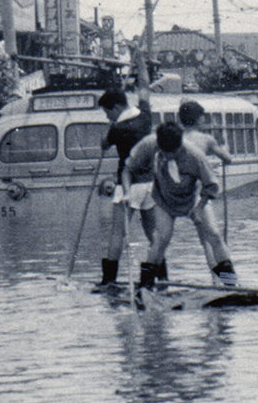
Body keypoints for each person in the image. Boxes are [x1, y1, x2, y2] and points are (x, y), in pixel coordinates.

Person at [124, 121, 237, 290]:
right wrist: (127, 192)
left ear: (180, 144)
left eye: (174, 152)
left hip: (194, 199)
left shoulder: (195, 155)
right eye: (165, 152)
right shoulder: (149, 144)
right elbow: (127, 169)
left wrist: (199, 209)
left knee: (214, 235)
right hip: (164, 200)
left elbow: (212, 186)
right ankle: (145, 285)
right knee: (160, 239)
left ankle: (230, 283)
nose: (169, 156)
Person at [94, 86, 152, 291]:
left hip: (128, 183)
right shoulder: (146, 116)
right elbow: (144, 91)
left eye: (107, 112)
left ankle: (108, 280)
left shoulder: (118, 128)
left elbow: (104, 144)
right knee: (153, 233)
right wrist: (139, 59)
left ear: (117, 107)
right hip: (151, 184)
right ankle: (158, 279)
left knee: (117, 233)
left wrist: (108, 129)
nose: (107, 116)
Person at [178, 99, 234, 166]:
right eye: (203, 116)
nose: (204, 120)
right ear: (198, 119)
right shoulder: (206, 139)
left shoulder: (174, 137)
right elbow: (228, 159)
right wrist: (224, 149)